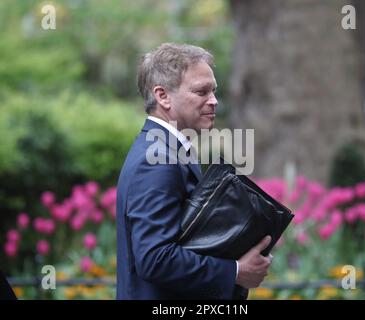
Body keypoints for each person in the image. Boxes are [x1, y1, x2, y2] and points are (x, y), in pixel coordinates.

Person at [116, 43, 273, 300]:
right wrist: (234, 271)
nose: (214, 101)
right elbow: (155, 259)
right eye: (201, 92)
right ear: (162, 96)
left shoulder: (166, 150)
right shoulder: (157, 161)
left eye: (214, 91)